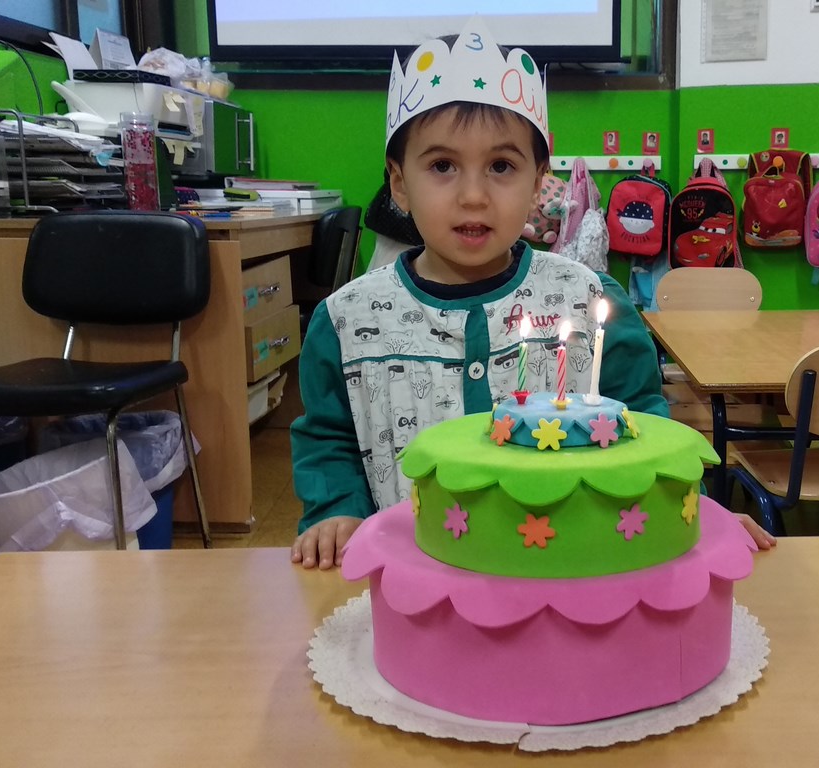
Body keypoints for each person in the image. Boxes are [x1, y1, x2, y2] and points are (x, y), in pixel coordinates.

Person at [291, 18, 776, 570]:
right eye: (442, 166)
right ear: (399, 182)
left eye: (501, 166)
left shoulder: (589, 302)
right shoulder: (346, 323)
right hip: (411, 573)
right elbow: (328, 439)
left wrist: (693, 513)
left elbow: (645, 426)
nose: (474, 196)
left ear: (539, 181)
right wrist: (337, 511)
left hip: (570, 569)